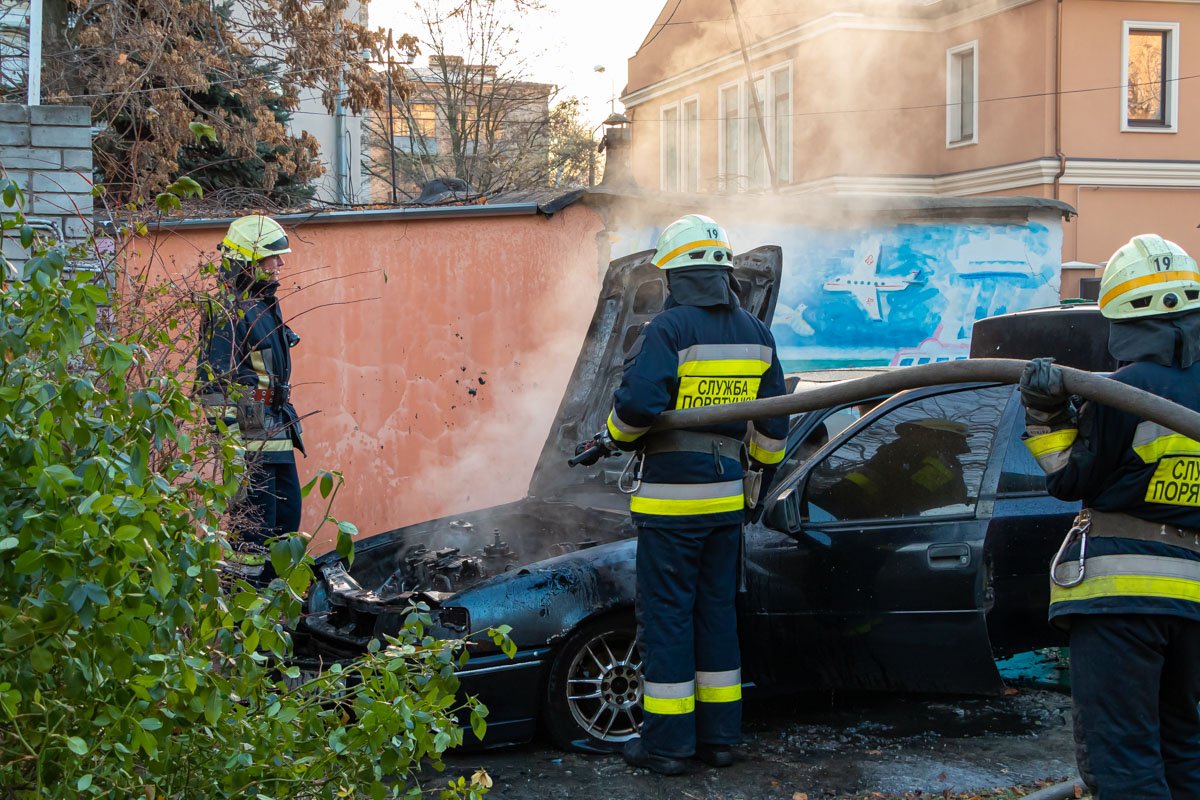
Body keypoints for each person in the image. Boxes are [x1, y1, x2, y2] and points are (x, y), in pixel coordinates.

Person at [572, 214, 788, 775]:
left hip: (672, 505)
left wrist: (612, 439)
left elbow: (639, 407)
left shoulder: (667, 330)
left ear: (674, 275)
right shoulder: (757, 334)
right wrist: (754, 480)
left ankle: (667, 745)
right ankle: (720, 740)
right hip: (724, 505)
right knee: (716, 616)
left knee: (668, 620)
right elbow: (773, 429)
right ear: (724, 272)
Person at [1019, 233, 1200, 799]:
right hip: (1192, 601)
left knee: (1122, 757)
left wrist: (1047, 411)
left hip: (1120, 598)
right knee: (1186, 750)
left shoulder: (1123, 391)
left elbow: (1070, 478)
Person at [198, 215, 306, 587]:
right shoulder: (226, 310)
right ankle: (243, 611)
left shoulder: (264, 303)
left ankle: (274, 611)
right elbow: (213, 385)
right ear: (247, 261)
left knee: (287, 524)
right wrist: (234, 448)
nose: (280, 264)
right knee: (253, 536)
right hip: (250, 433)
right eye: (271, 258)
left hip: (277, 426)